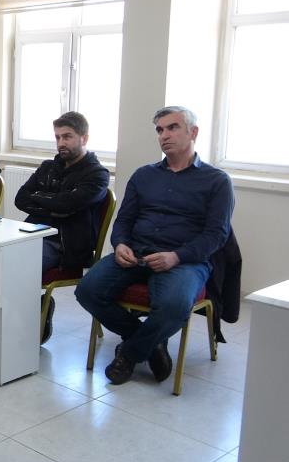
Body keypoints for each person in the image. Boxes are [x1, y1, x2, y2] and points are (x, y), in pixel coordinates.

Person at [75, 106, 234, 386]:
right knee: (87, 290)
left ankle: (131, 352)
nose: (164, 135)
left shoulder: (217, 181)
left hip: (184, 261)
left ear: (193, 132)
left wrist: (176, 256)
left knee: (173, 306)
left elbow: (216, 235)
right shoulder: (143, 175)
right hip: (136, 254)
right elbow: (123, 220)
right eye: (160, 130)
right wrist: (120, 243)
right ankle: (151, 344)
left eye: (172, 127)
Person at [15, 111, 109, 342]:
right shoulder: (48, 167)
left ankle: (33, 316)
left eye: (67, 137)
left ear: (84, 138)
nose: (61, 143)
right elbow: (20, 199)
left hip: (66, 244)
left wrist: (45, 199)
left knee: (18, 265)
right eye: (57, 137)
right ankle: (22, 315)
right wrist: (54, 206)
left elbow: (68, 204)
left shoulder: (97, 174)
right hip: (34, 233)